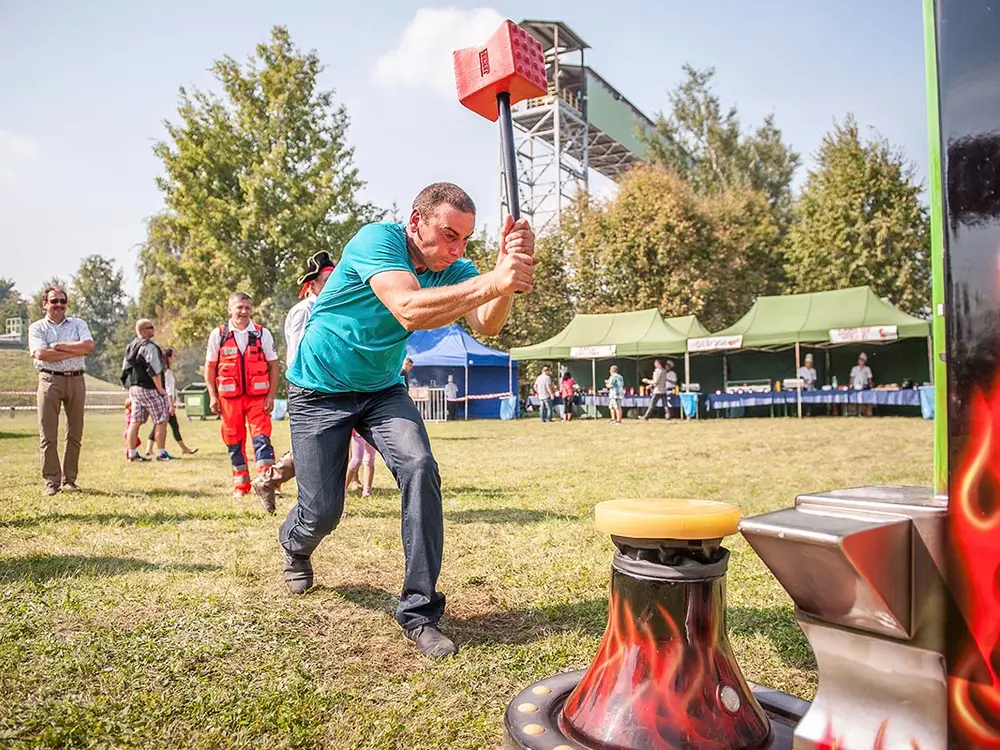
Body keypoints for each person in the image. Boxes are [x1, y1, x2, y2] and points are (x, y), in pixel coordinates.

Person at [278, 182, 535, 660]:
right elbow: (409, 309)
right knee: (322, 512)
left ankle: (419, 613)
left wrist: (506, 276)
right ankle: (295, 544)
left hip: (381, 389)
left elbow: (488, 322)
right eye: (449, 235)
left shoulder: (454, 269)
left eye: (465, 239)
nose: (457, 250)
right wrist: (495, 280)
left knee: (420, 467)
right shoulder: (377, 240)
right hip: (318, 390)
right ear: (416, 221)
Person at [252, 251, 336, 513]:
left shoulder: (335, 307)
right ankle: (273, 482)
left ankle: (270, 481)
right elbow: (297, 353)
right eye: (326, 280)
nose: (332, 285)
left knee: (330, 444)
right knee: (315, 446)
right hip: (310, 386)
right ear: (312, 284)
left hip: (334, 383)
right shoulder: (303, 310)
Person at [205, 292, 280, 499]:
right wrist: (212, 396)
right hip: (229, 400)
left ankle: (267, 484)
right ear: (230, 309)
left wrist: (271, 395)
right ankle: (241, 486)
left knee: (262, 439)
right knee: (234, 441)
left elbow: (274, 366)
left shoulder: (262, 334)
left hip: (258, 398)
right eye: (239, 307)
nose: (244, 312)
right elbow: (210, 368)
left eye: (247, 308)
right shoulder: (218, 335)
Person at [27, 285, 95, 495]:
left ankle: (69, 480)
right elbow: (41, 354)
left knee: (75, 432)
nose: (58, 305)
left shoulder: (78, 323)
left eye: (62, 301)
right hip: (50, 380)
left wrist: (58, 346)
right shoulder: (37, 328)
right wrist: (75, 350)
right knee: (48, 434)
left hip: (76, 380)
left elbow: (89, 347)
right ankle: (51, 482)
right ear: (45, 304)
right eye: (54, 301)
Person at [120, 319, 174, 462]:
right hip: (149, 388)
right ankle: (161, 453)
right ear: (143, 330)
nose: (153, 330)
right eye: (151, 327)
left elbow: (125, 368)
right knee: (161, 420)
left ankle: (132, 453)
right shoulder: (149, 347)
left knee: (135, 421)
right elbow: (154, 369)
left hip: (134, 388)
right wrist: (160, 388)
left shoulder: (131, 346)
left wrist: (127, 385)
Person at [144, 348, 198, 457]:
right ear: (168, 358)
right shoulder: (167, 373)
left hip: (161, 401)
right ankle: (184, 448)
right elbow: (168, 390)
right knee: (173, 425)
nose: (174, 359)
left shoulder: (161, 372)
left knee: (158, 424)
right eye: (173, 356)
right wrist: (171, 405)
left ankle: (149, 448)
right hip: (166, 403)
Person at [345, 430, 376, 497]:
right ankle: (343, 487)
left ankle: (367, 492)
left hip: (372, 431)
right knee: (356, 460)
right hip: (358, 432)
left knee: (370, 460)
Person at [849, 352, 875, 417]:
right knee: (855, 401)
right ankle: (855, 414)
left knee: (865, 401)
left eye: (862, 360)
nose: (860, 361)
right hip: (855, 387)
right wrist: (850, 385)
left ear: (864, 361)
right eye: (860, 359)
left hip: (864, 388)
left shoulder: (867, 368)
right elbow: (852, 378)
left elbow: (870, 378)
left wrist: (871, 385)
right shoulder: (854, 368)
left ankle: (865, 414)